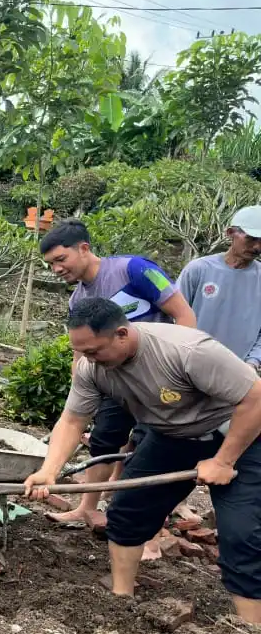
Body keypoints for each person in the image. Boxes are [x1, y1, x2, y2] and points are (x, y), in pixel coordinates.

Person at [24, 298, 261, 624]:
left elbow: (256, 398)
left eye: (94, 351)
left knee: (242, 533)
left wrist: (223, 460)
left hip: (241, 437)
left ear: (122, 333)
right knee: (126, 512)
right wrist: (49, 470)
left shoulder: (187, 351)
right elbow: (72, 420)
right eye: (81, 352)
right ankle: (122, 599)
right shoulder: (93, 368)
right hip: (171, 437)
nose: (87, 360)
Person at [40, 219, 195, 535]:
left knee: (149, 447)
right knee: (104, 440)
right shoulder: (78, 300)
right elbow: (80, 355)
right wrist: (81, 393)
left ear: (84, 248)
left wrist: (179, 368)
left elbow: (183, 314)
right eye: (50, 264)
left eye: (61, 259)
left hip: (157, 378)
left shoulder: (134, 270)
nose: (56, 269)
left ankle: (149, 528)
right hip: (114, 381)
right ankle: (87, 508)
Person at [177, 206, 261, 370]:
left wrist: (253, 362)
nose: (257, 247)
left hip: (239, 371)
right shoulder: (199, 269)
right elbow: (174, 317)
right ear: (230, 233)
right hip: (190, 365)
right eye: (251, 239)